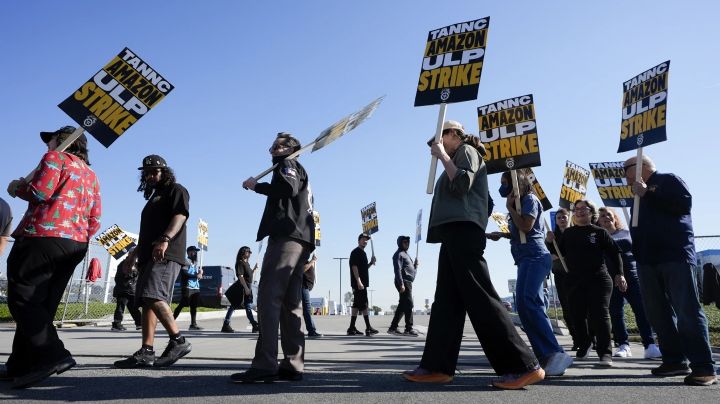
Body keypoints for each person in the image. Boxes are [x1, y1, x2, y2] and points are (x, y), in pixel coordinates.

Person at [403, 120, 543, 390]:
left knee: (480, 296)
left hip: (462, 231)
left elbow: (462, 184)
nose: (434, 144)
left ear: (454, 134)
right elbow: (485, 201)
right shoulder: (459, 157)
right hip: (456, 231)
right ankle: (437, 366)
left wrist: (443, 156)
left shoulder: (467, 151)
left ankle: (522, 365)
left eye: (440, 137)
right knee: (446, 302)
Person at [3, 126, 101, 388]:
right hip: (75, 243)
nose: (47, 145)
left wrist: (17, 187)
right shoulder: (90, 174)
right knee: (42, 305)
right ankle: (21, 364)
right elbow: (95, 218)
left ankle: (54, 354)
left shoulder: (54, 159)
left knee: (23, 298)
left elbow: (40, 193)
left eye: (51, 140)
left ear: (64, 141)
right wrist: (77, 236)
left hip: (42, 237)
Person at [624, 155, 716, 386]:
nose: (622, 175)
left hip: (674, 256)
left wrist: (650, 193)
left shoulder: (667, 180)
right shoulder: (636, 196)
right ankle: (674, 360)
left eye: (625, 169)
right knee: (658, 313)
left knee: (687, 311)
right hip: (647, 260)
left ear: (641, 167)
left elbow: (684, 204)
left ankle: (703, 366)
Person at [232, 132, 315, 383]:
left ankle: (265, 364)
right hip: (300, 238)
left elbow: (286, 189)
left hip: (286, 238)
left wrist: (256, 186)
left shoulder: (288, 165)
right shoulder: (293, 167)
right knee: (291, 304)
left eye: (282, 145)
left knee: (269, 299)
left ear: (293, 149)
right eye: (273, 145)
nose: (275, 148)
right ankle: (292, 364)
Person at [487, 171, 573, 377]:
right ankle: (545, 355)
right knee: (528, 306)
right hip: (525, 258)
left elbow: (526, 225)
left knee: (528, 302)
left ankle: (555, 352)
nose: (502, 186)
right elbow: (521, 230)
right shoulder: (519, 203)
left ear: (517, 183)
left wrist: (509, 208)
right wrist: (503, 234)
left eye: (505, 182)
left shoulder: (530, 199)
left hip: (535, 256)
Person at [115, 155, 192, 369]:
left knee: (153, 295)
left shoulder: (176, 190)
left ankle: (179, 341)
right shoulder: (154, 197)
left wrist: (165, 239)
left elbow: (180, 216)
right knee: (147, 301)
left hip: (166, 254)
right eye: (146, 173)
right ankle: (146, 352)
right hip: (150, 255)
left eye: (154, 172)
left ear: (164, 172)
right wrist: (132, 256)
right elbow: (147, 234)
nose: (149, 176)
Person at [558, 199, 626, 367]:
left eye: (584, 208)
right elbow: (558, 253)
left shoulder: (599, 232)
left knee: (600, 315)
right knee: (577, 316)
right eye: (577, 209)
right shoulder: (567, 233)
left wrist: (619, 274)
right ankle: (585, 343)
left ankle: (605, 353)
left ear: (591, 212)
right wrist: (549, 240)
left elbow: (614, 253)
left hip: (599, 279)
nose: (580, 211)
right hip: (574, 280)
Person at [597, 206, 662, 359]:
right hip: (610, 280)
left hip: (633, 278)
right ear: (598, 220)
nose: (606, 217)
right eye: (602, 216)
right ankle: (623, 345)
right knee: (616, 313)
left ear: (615, 217)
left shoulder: (627, 233)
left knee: (641, 310)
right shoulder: (598, 238)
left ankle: (650, 344)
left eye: (609, 214)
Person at [545, 208, 579, 349]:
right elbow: (546, 253)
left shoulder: (576, 232)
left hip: (577, 274)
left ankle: (590, 337)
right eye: (559, 217)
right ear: (556, 221)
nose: (562, 219)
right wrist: (548, 244)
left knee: (583, 306)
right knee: (567, 308)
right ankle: (576, 338)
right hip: (561, 275)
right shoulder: (553, 237)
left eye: (564, 217)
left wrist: (565, 256)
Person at [222, 246, 259, 333]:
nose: (250, 253)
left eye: (250, 252)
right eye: (248, 251)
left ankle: (254, 325)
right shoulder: (240, 263)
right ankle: (226, 324)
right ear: (243, 252)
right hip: (242, 287)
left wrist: (254, 269)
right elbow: (240, 276)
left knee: (247, 306)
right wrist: (246, 288)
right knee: (236, 305)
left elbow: (249, 276)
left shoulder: (247, 263)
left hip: (247, 286)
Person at [347, 233, 379, 336]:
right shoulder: (355, 252)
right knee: (364, 304)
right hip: (359, 283)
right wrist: (358, 281)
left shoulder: (363, 253)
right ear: (359, 240)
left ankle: (351, 328)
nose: (365, 241)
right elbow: (354, 267)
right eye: (363, 239)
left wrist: (370, 263)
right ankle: (368, 328)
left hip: (362, 283)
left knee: (356, 305)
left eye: (367, 240)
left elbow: (363, 269)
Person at [388, 235, 419, 336]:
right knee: (409, 304)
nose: (407, 244)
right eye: (404, 242)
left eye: (408, 242)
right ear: (400, 243)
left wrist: (415, 266)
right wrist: (401, 284)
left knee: (402, 305)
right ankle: (409, 329)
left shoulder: (406, 254)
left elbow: (412, 272)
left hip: (408, 282)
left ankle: (393, 328)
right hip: (403, 282)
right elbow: (397, 270)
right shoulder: (399, 254)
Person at [173, 246, 204, 330]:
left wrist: (200, 273)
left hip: (196, 287)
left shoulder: (196, 262)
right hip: (187, 286)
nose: (196, 253)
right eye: (194, 251)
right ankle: (171, 321)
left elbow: (197, 274)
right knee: (183, 304)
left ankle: (193, 324)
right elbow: (184, 272)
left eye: (196, 252)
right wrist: (196, 275)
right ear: (189, 252)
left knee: (194, 306)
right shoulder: (186, 261)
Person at [112, 247, 142, 331]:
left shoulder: (135, 264)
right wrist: (132, 272)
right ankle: (116, 324)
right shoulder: (124, 263)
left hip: (131, 290)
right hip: (124, 289)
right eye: (134, 254)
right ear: (130, 254)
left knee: (134, 308)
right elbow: (122, 276)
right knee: (121, 307)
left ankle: (140, 323)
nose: (136, 256)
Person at [302, 255, 322, 337]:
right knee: (307, 309)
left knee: (305, 309)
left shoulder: (304, 260)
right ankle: (311, 330)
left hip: (305, 287)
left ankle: (311, 330)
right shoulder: (301, 259)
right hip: (302, 287)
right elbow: (303, 269)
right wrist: (312, 261)